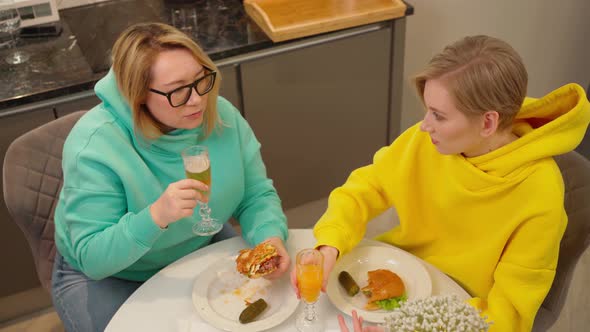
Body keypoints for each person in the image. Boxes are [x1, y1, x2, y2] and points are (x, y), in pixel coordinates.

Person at [291, 35, 590, 332]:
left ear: (488, 123)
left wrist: (415, 325)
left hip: (459, 314)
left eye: (439, 115)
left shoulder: (540, 193)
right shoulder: (427, 141)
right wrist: (329, 244)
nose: (424, 125)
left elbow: (508, 315)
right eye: (428, 110)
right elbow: (366, 187)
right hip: (398, 282)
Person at [51, 22, 289, 332]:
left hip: (198, 242)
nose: (197, 100)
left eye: (200, 79)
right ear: (138, 96)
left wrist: (269, 239)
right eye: (178, 90)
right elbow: (93, 258)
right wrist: (155, 216)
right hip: (113, 274)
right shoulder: (94, 146)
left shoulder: (222, 115)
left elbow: (255, 195)